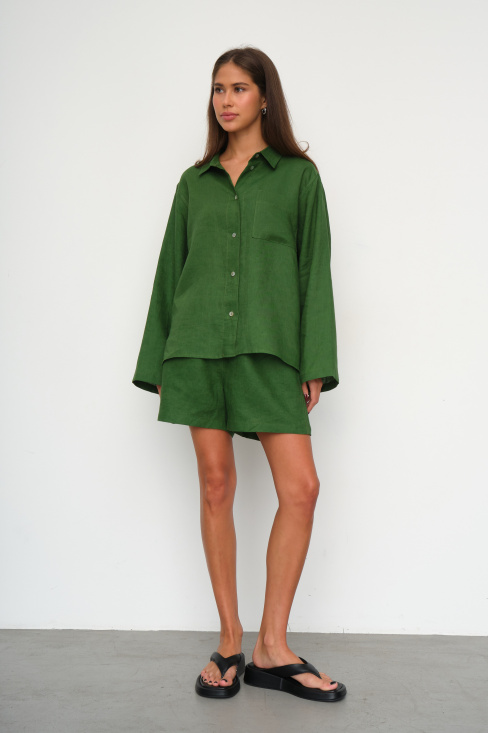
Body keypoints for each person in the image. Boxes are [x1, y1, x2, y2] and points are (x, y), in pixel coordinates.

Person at [132, 46, 345, 703]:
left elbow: (314, 271)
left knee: (301, 488)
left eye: (239, 88)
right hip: (197, 347)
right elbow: (171, 269)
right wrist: (157, 360)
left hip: (269, 350)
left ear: (265, 98)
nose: (226, 100)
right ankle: (229, 641)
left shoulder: (298, 178)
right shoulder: (193, 183)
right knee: (216, 485)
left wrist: (315, 361)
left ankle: (272, 646)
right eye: (218, 88)